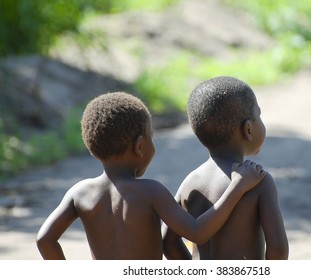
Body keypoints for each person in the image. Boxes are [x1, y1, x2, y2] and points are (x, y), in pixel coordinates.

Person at [36, 91, 266, 260]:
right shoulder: (150, 192)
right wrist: (237, 186)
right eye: (151, 138)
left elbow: (44, 240)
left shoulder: (79, 192)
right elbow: (197, 232)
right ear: (140, 146)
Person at [162, 76, 289, 260]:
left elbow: (168, 240)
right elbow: (278, 248)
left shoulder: (190, 182)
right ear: (248, 130)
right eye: (258, 115)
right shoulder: (258, 181)